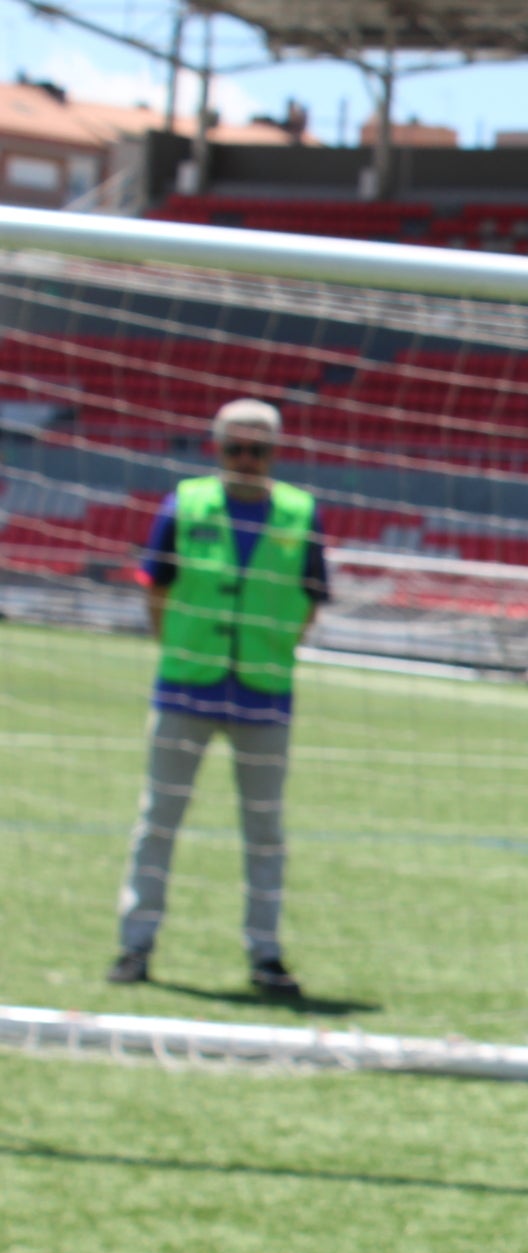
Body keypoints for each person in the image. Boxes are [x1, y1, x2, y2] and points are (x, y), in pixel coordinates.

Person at [108, 399, 327, 999]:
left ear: (276, 454)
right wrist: (177, 650)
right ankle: (136, 945)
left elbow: (311, 600)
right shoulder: (186, 504)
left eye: (259, 449)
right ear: (217, 448)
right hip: (187, 685)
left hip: (264, 694)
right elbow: (156, 588)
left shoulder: (301, 513)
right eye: (236, 447)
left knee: (265, 830)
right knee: (159, 820)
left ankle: (266, 954)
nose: (247, 459)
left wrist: (272, 648)